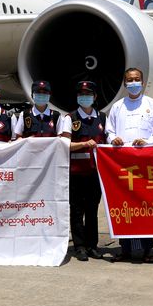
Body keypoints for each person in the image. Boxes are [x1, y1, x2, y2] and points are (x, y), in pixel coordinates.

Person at [105, 67, 153, 262]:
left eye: (136, 79)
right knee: (124, 205)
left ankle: (147, 250)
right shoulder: (117, 107)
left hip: (146, 163)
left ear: (143, 82)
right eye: (129, 80)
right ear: (124, 83)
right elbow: (109, 131)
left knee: (146, 206)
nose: (133, 83)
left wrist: (147, 142)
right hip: (122, 164)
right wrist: (113, 139)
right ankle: (126, 249)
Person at [62, 81, 107, 261]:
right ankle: (79, 246)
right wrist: (83, 144)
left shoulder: (102, 117)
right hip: (75, 172)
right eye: (81, 94)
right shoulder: (70, 118)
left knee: (92, 210)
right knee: (76, 210)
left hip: (95, 173)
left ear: (94, 97)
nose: (84, 97)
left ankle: (92, 245)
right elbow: (64, 144)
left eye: (88, 94)